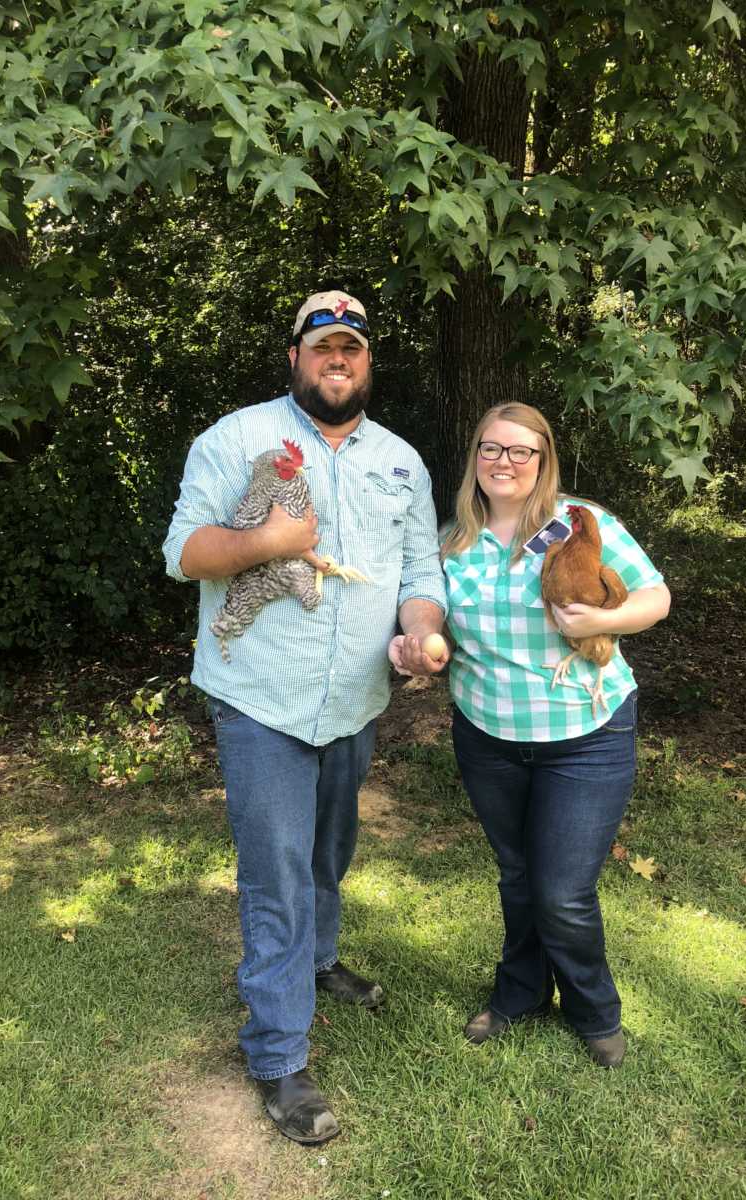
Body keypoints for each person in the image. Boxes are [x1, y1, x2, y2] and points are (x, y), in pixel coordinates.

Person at [163, 290, 448, 1145]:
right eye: (323, 345)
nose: (338, 359)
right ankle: (280, 1056)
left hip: (357, 700)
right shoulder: (237, 439)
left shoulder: (401, 460)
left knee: (329, 851)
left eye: (352, 348)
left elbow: (420, 571)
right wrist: (271, 543)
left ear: (368, 362)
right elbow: (184, 553)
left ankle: (319, 965)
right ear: (296, 357)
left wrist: (420, 636)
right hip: (262, 697)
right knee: (278, 874)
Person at [440, 402, 670, 1067]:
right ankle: (520, 993)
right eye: (491, 448)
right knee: (517, 875)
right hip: (487, 732)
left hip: (585, 732)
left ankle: (594, 1008)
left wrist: (608, 617)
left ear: (543, 460)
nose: (504, 463)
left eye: (520, 452)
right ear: (474, 457)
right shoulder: (454, 538)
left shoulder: (579, 523)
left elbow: (655, 596)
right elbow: (433, 616)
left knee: (562, 892)